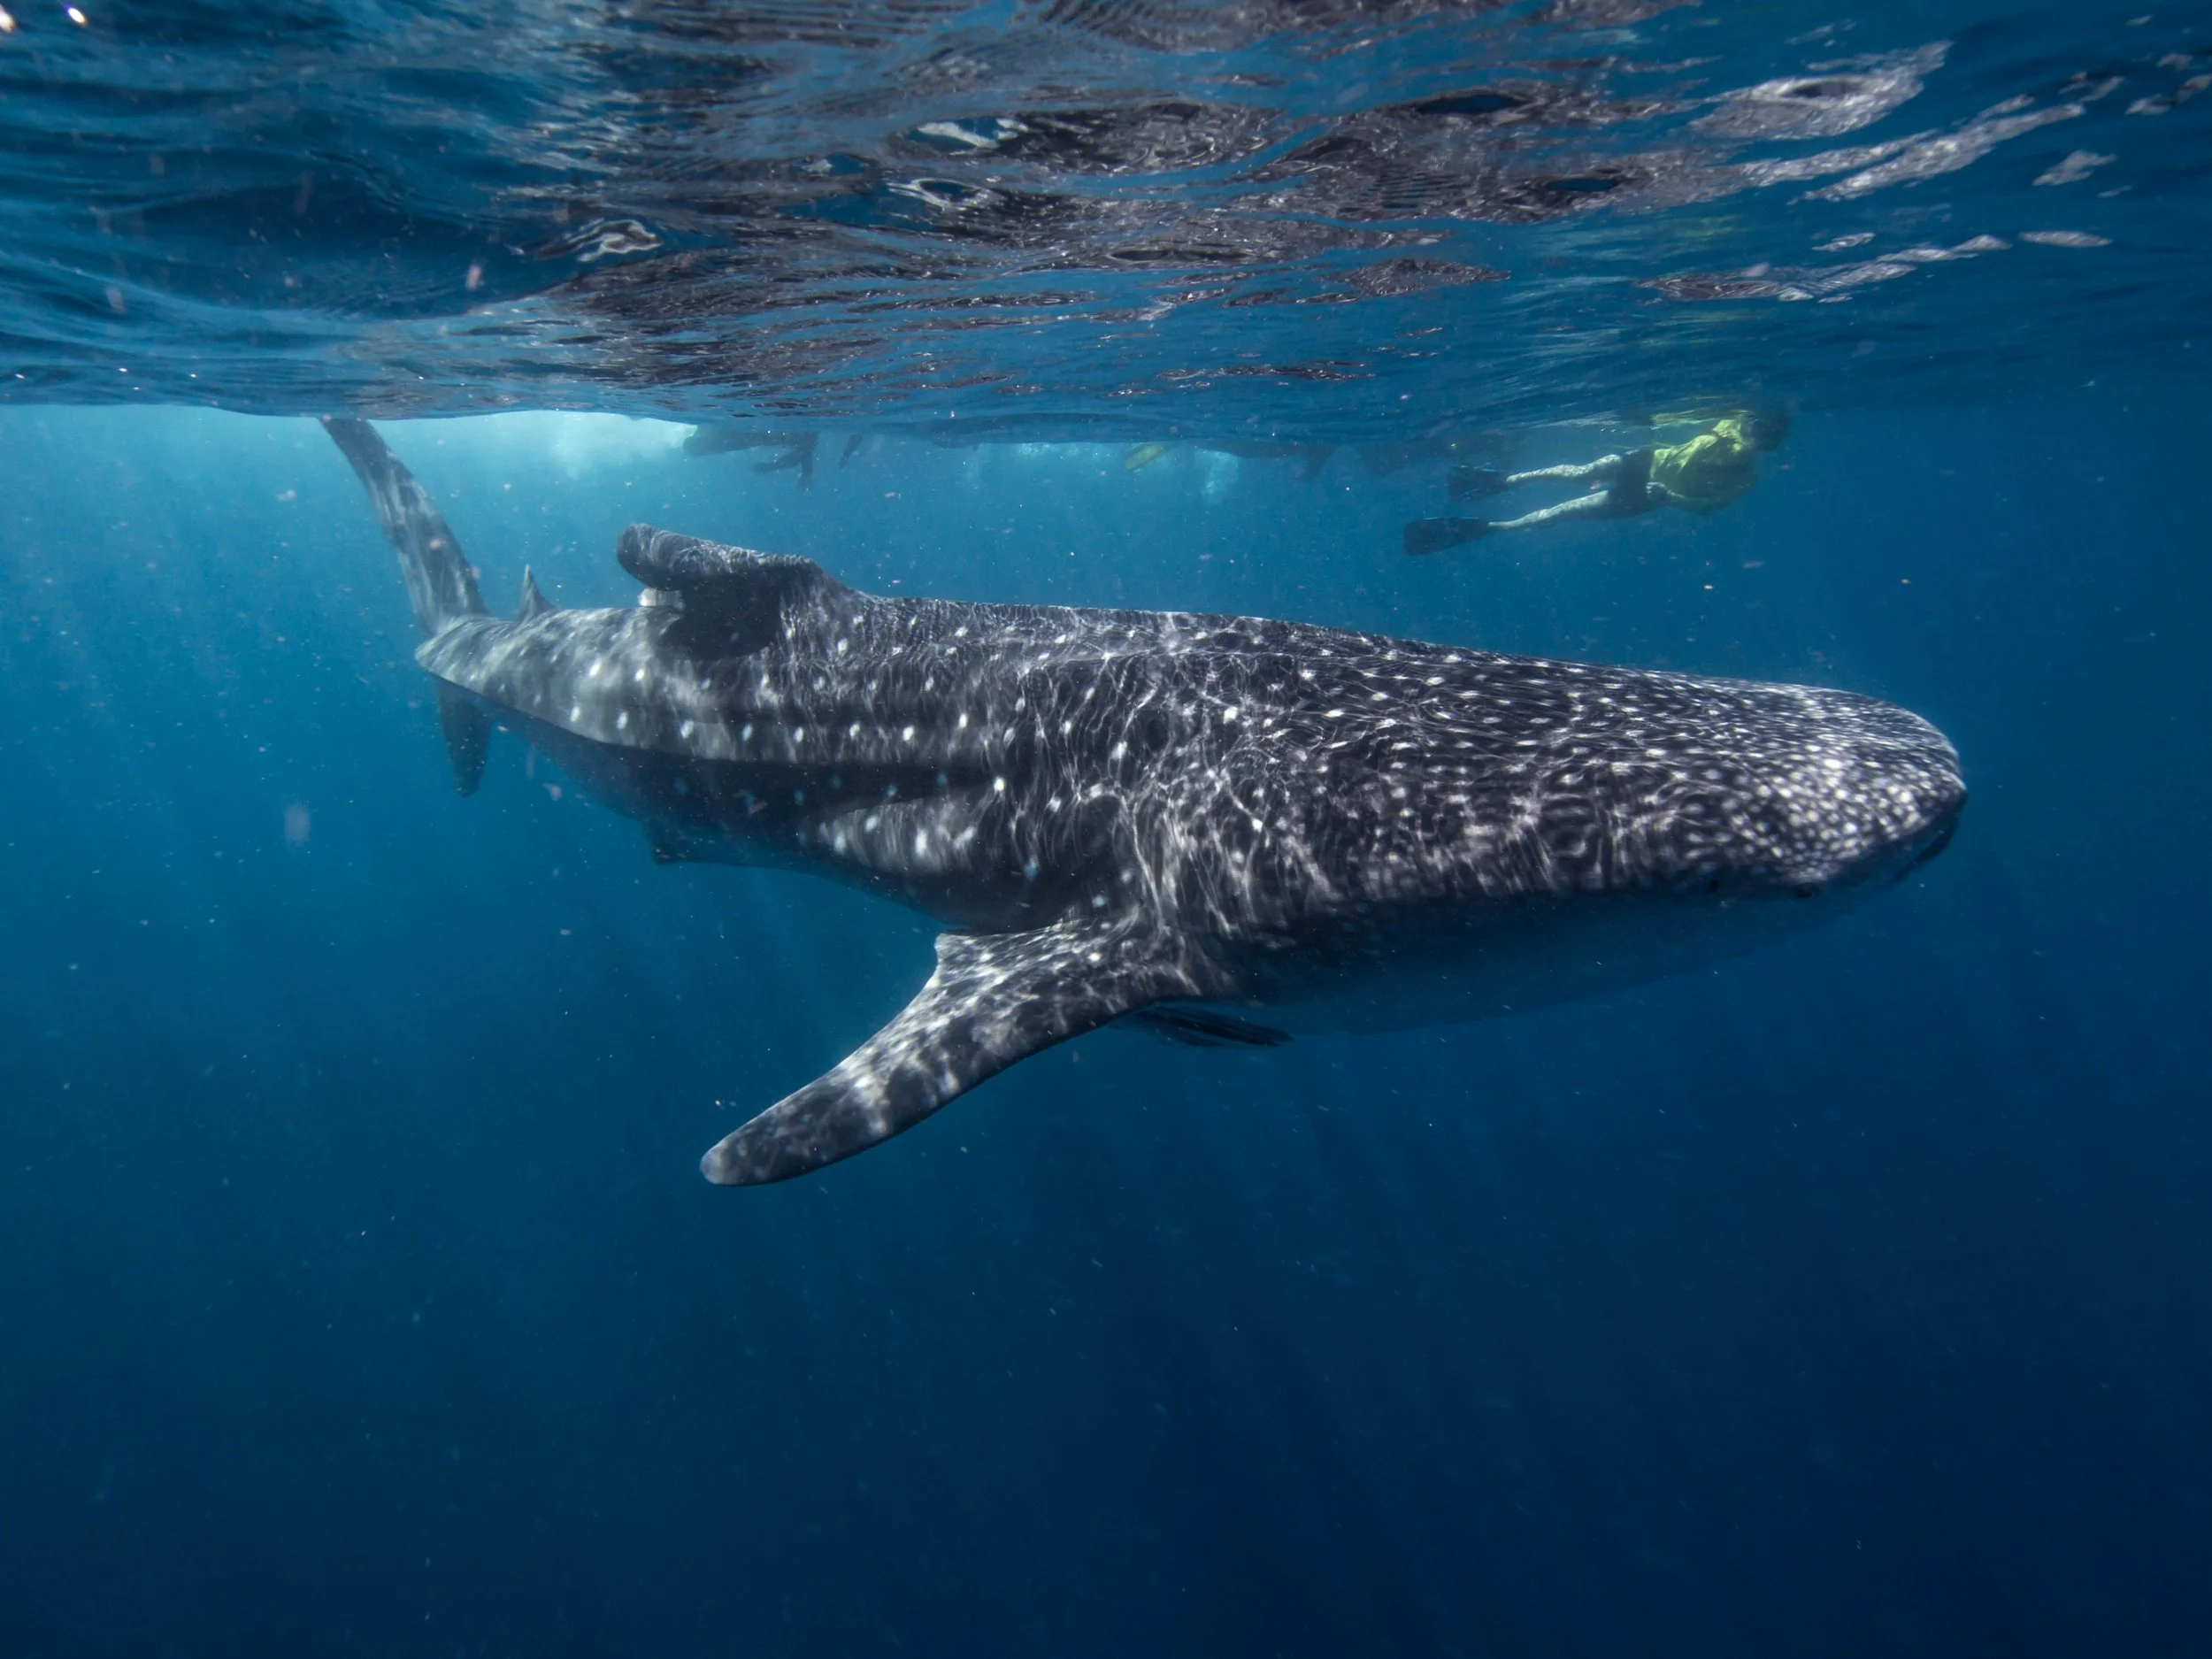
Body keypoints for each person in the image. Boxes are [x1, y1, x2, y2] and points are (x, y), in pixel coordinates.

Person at [1403, 411, 1788, 556]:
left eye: (1766, 435)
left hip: (1649, 497)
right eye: (1757, 426)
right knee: (1583, 473)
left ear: (1770, 445)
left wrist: (1670, 497)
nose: (1755, 435)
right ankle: (1505, 481)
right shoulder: (1731, 422)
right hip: (1646, 460)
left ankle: (1490, 527)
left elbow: (1707, 508)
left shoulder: (1746, 478)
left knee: (1562, 513)